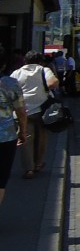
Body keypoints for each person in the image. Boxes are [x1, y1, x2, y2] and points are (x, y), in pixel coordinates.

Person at [10, 51, 58, 178]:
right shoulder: (43, 70)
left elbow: (10, 89)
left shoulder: (17, 72)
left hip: (22, 110)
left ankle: (29, 169)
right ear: (40, 61)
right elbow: (53, 83)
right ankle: (38, 163)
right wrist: (45, 89)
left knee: (25, 139)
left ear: (25, 61)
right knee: (41, 138)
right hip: (41, 110)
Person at [0, 47, 30, 207]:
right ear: (4, 65)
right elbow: (21, 111)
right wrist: (23, 132)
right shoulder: (10, 83)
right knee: (1, 180)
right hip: (5, 137)